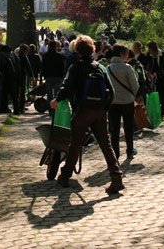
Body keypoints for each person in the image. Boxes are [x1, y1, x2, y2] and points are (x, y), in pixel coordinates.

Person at [50, 35, 124, 194]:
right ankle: (117, 177)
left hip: (83, 110)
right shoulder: (101, 67)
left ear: (77, 50)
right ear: (92, 49)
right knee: (106, 144)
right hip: (99, 111)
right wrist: (104, 109)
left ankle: (65, 176)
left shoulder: (75, 67)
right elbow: (111, 92)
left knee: (75, 144)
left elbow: (67, 87)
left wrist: (57, 99)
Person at [106, 44, 140, 159]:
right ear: (121, 54)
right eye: (126, 54)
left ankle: (115, 155)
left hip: (113, 103)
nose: (127, 56)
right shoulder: (127, 68)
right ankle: (130, 150)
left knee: (114, 130)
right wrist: (133, 95)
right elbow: (135, 86)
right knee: (128, 127)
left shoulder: (108, 68)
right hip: (127, 102)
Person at [41, 40, 66, 119]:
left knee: (49, 95)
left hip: (48, 77)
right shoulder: (59, 55)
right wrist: (62, 76)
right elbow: (62, 67)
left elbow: (43, 67)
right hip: (57, 77)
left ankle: (50, 110)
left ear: (49, 46)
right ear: (55, 46)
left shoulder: (45, 55)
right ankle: (55, 110)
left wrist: (43, 76)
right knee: (56, 94)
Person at [146, 41, 164, 117]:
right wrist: (148, 72)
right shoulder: (149, 54)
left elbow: (163, 67)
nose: (149, 50)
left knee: (161, 93)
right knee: (152, 93)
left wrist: (156, 74)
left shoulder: (162, 54)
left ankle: (161, 112)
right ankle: (153, 110)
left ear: (153, 48)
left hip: (162, 77)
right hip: (151, 77)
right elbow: (147, 65)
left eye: (150, 48)